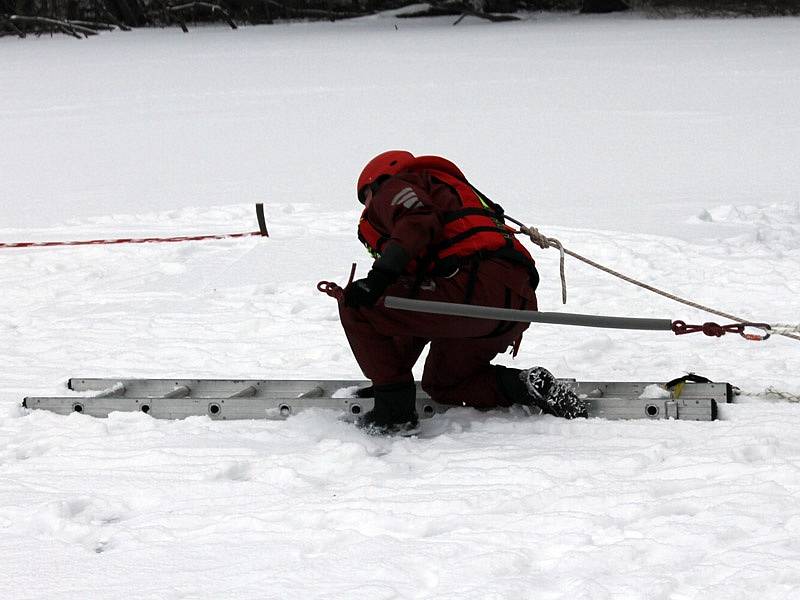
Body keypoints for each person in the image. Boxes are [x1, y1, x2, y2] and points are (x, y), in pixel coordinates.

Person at [339, 151, 587, 434]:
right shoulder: (455, 193)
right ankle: (526, 385)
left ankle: (394, 414)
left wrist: (378, 279)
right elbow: (412, 314)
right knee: (444, 384)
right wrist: (390, 373)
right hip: (515, 302)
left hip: (471, 287)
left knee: (356, 303)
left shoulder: (395, 186)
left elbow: (417, 219)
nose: (369, 208)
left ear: (377, 181)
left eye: (366, 198)